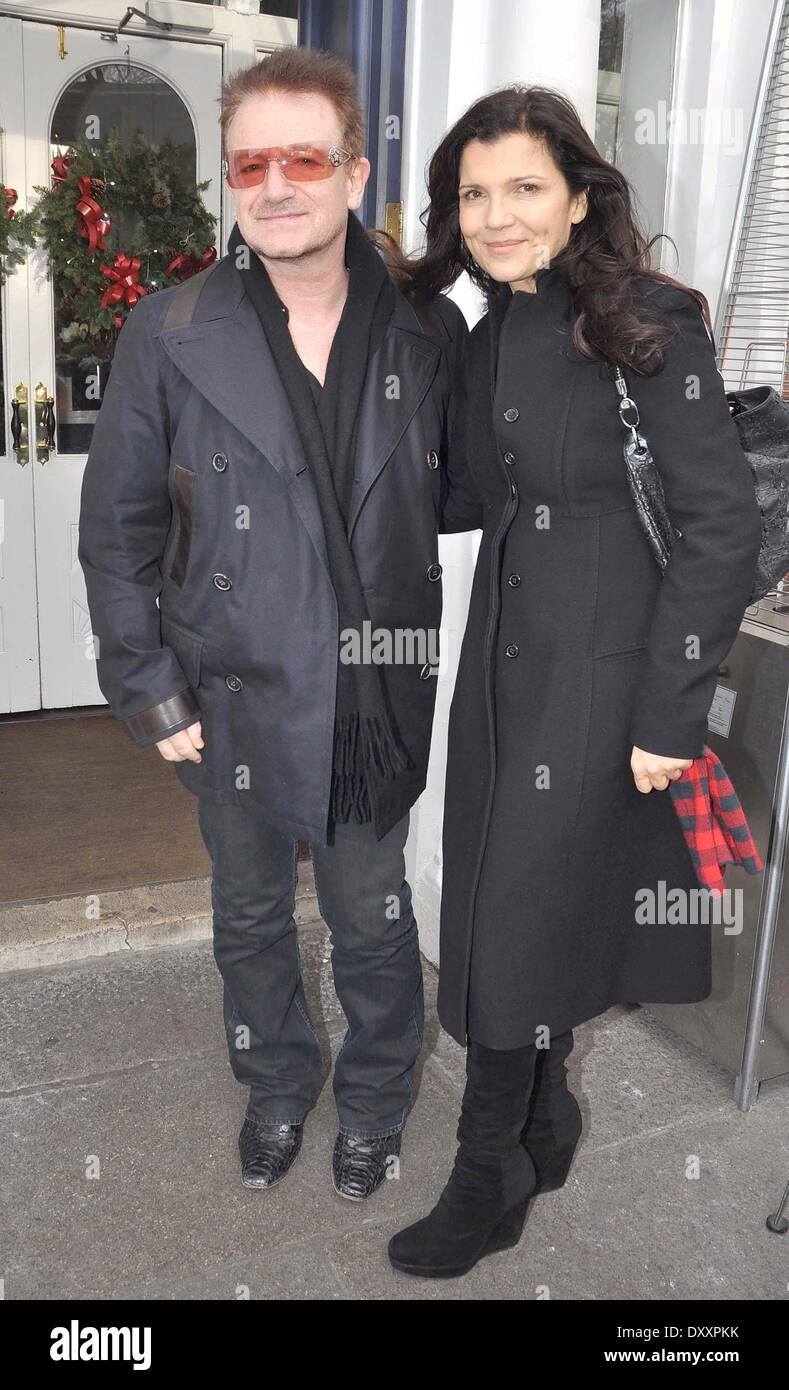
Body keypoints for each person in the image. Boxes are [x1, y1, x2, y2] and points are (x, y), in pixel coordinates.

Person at [78, 47, 474, 1202]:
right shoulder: (170, 329)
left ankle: (375, 1098)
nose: (276, 183)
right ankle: (275, 1084)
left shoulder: (426, 330)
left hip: (370, 689)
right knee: (250, 914)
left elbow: (460, 487)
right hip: (228, 695)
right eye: (251, 160)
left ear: (354, 172)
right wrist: (149, 690)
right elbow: (119, 533)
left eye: (305, 156)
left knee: (372, 916)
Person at [387, 85, 762, 1278]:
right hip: (502, 667)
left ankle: (484, 1162)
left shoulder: (649, 322)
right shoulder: (490, 326)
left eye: (524, 189)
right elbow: (468, 496)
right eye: (474, 193)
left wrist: (669, 713)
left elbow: (720, 530)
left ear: (580, 194)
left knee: (509, 920)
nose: (496, 216)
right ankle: (547, 1113)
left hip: (604, 687)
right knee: (522, 907)